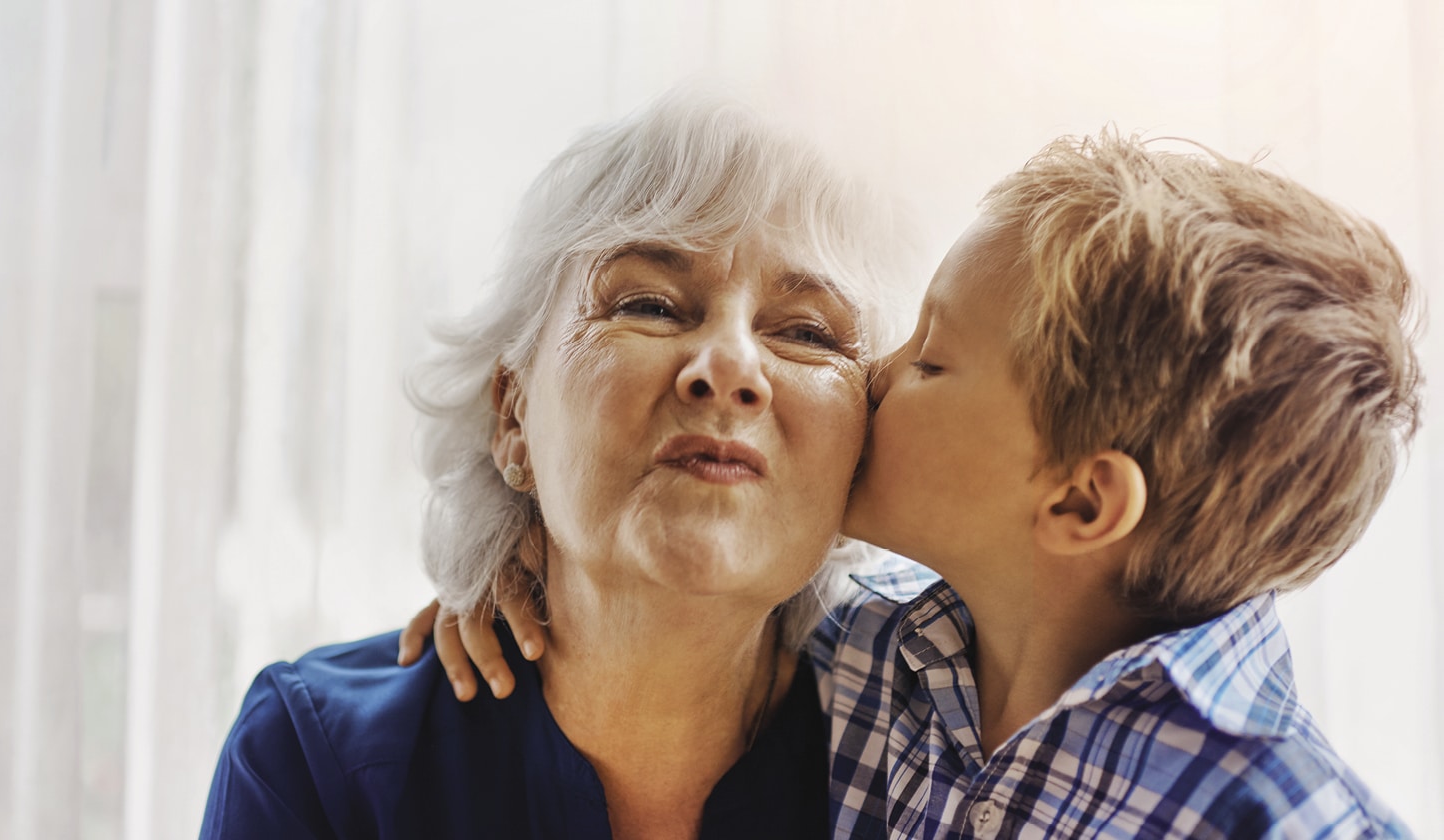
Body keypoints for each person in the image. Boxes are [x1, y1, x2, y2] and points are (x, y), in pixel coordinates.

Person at [424, 132, 1420, 837]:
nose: (874, 375)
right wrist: (523, 558)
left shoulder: (1285, 818)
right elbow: (678, 598)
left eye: (930, 359)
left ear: (1078, 504)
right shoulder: (882, 656)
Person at [198, 90, 914, 839]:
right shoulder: (316, 758)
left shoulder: (926, 766)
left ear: (861, 455)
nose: (730, 365)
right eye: (650, 305)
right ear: (513, 415)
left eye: (806, 332)